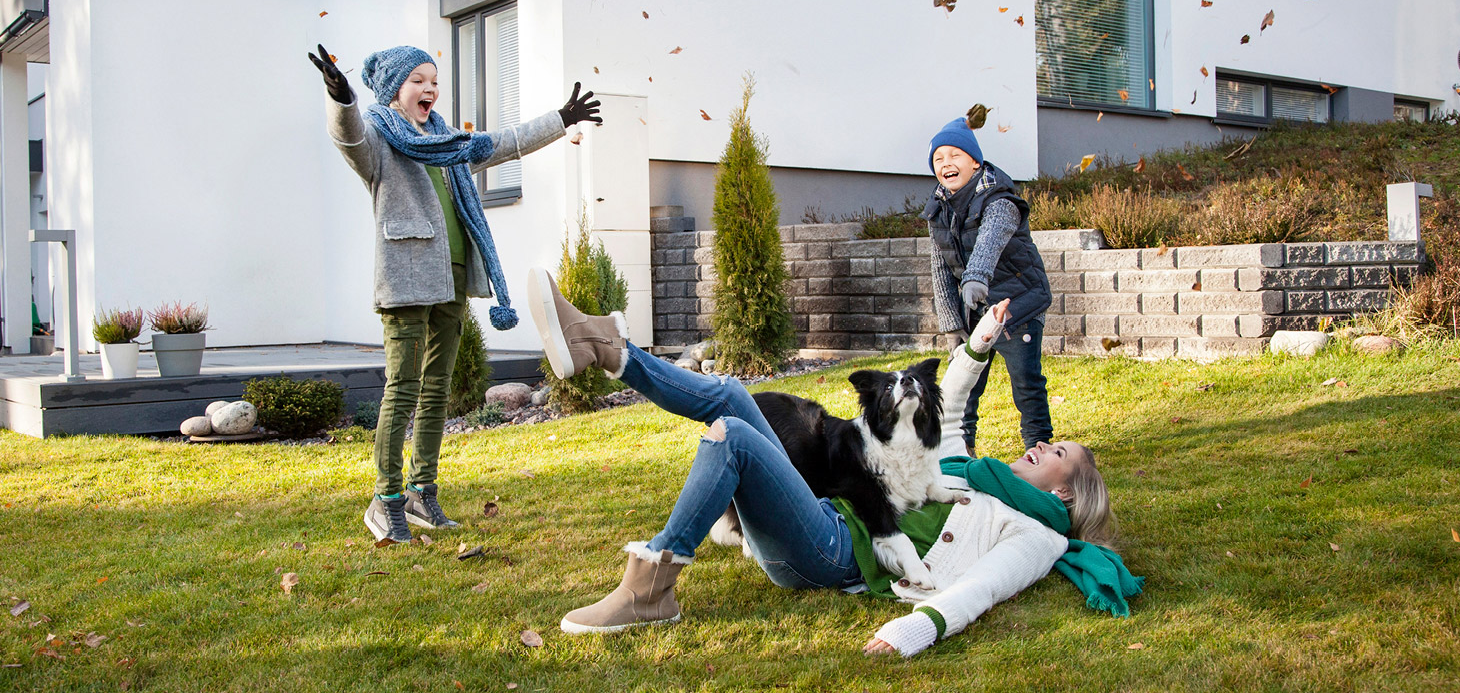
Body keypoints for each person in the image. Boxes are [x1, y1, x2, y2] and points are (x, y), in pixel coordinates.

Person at [527, 269, 1140, 657]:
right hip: (824, 514)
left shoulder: (1034, 532)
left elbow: (984, 588)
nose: (1040, 446)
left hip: (836, 551)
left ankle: (649, 589)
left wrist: (915, 630)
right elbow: (943, 411)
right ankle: (607, 348)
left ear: (1065, 495)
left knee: (733, 436)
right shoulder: (972, 476)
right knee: (737, 396)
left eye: (1056, 454)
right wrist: (978, 346)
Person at [308, 44, 602, 543]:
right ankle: (386, 499)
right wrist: (341, 97)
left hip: (452, 277)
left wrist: (561, 118)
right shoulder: (380, 135)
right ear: (395, 88)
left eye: (434, 80)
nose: (430, 89)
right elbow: (349, 138)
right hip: (407, 280)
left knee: (436, 390)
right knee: (402, 389)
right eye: (418, 80)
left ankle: (423, 491)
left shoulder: (446, 140)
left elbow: (502, 142)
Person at [923, 113, 1054, 456]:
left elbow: (989, 243)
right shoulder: (938, 211)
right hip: (975, 309)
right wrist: (953, 325)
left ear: (975, 161)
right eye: (938, 159)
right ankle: (960, 452)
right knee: (964, 387)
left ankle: (1040, 450)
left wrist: (976, 278)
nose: (945, 164)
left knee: (1026, 385)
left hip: (1017, 304)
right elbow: (939, 268)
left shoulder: (1000, 201)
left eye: (954, 155)